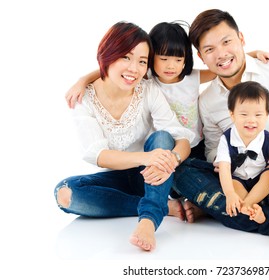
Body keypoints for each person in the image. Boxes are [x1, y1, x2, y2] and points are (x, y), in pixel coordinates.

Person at [172, 9, 269, 247]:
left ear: (241, 39)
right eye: (210, 49)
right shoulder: (208, 100)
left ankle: (215, 206)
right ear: (201, 57)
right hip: (235, 179)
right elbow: (213, 150)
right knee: (180, 172)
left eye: (227, 42)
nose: (221, 54)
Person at [54, 21, 194, 251]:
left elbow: (181, 139)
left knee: (162, 139)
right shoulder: (84, 98)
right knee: (65, 193)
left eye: (142, 61)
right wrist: (146, 158)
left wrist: (173, 158)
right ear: (108, 55)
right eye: (126, 57)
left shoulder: (148, 90)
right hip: (122, 176)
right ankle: (164, 206)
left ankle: (148, 220)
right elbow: (97, 155)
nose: (134, 68)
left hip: (154, 175)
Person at [216, 81, 269, 229]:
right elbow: (224, 168)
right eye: (243, 114)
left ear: (267, 115)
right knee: (232, 183)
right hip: (239, 179)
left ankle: (248, 206)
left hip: (261, 178)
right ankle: (255, 212)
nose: (251, 120)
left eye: (258, 114)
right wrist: (229, 194)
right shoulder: (226, 139)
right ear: (232, 115)